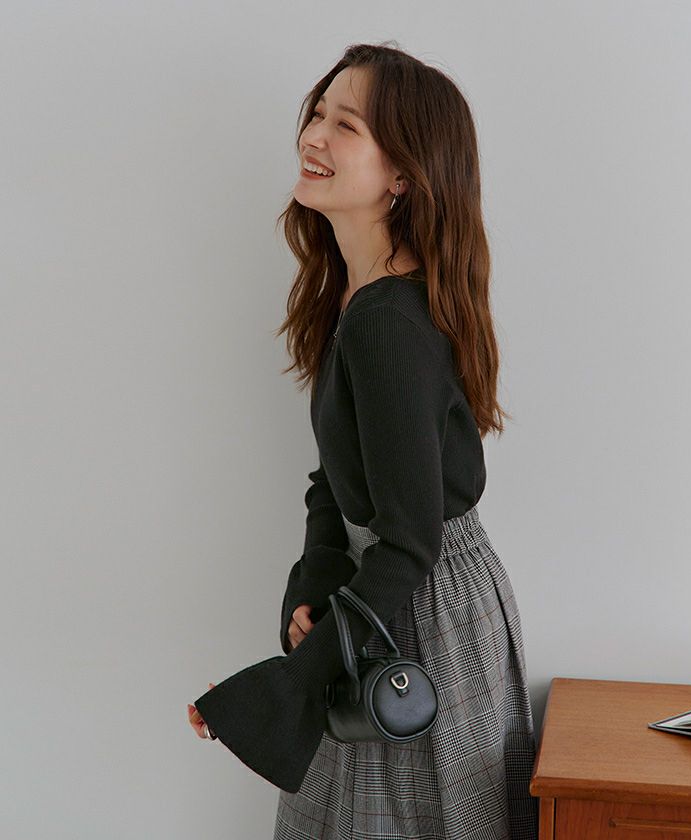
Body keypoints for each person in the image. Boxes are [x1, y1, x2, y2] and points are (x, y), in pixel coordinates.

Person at [188, 41, 539, 840]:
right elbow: (337, 478)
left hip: (418, 606)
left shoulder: (387, 319)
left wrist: (288, 685)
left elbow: (409, 538)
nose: (313, 135)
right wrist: (311, 584)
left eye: (345, 125)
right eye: (318, 113)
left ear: (403, 175)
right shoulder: (357, 296)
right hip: (379, 595)